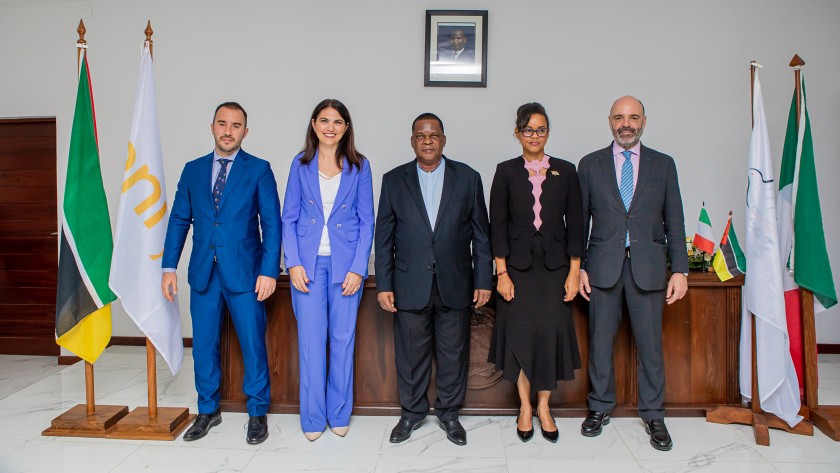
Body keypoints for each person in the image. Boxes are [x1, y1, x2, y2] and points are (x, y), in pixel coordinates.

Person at [161, 102, 281, 445]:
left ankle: (257, 412)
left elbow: (271, 224)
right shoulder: (193, 170)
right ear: (212, 127)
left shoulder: (259, 169)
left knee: (252, 345)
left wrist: (269, 271)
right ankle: (207, 409)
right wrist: (169, 266)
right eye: (222, 124)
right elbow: (179, 220)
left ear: (246, 131)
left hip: (245, 274)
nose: (229, 131)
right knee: (203, 346)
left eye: (236, 125)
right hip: (203, 273)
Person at [578, 96, 688, 451]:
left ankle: (654, 414)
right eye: (619, 117)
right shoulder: (590, 164)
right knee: (600, 343)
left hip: (649, 268)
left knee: (651, 347)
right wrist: (577, 267)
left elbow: (675, 219)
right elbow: (579, 223)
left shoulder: (664, 165)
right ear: (609, 121)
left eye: (633, 117)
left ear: (644, 121)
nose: (626, 123)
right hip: (602, 268)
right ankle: (599, 408)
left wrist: (681, 270)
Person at [375, 113, 492, 446]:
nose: (428, 141)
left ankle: (449, 414)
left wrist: (484, 279)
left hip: (456, 283)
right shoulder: (394, 180)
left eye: (434, 135)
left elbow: (482, 235)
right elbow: (383, 237)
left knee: (454, 353)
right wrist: (384, 284)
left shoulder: (468, 178)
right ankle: (412, 414)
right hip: (409, 284)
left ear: (444, 139)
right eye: (421, 136)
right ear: (412, 141)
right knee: (411, 354)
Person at [489, 102, 584, 443]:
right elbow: (496, 226)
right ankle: (525, 406)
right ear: (517, 134)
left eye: (540, 129)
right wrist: (501, 271)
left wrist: (574, 272)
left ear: (548, 133)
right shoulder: (505, 171)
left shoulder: (566, 170)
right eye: (527, 130)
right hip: (517, 270)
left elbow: (575, 225)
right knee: (521, 339)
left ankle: (544, 405)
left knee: (548, 338)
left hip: (556, 270)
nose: (534, 135)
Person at [281, 99, 374, 441]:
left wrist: (357, 268)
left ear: (346, 127)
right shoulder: (300, 164)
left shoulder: (360, 166)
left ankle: (338, 413)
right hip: (307, 266)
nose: (330, 127)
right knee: (310, 342)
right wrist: (292, 263)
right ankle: (312, 417)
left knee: (342, 340)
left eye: (337, 121)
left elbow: (367, 222)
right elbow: (288, 218)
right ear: (313, 124)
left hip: (345, 266)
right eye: (324, 120)